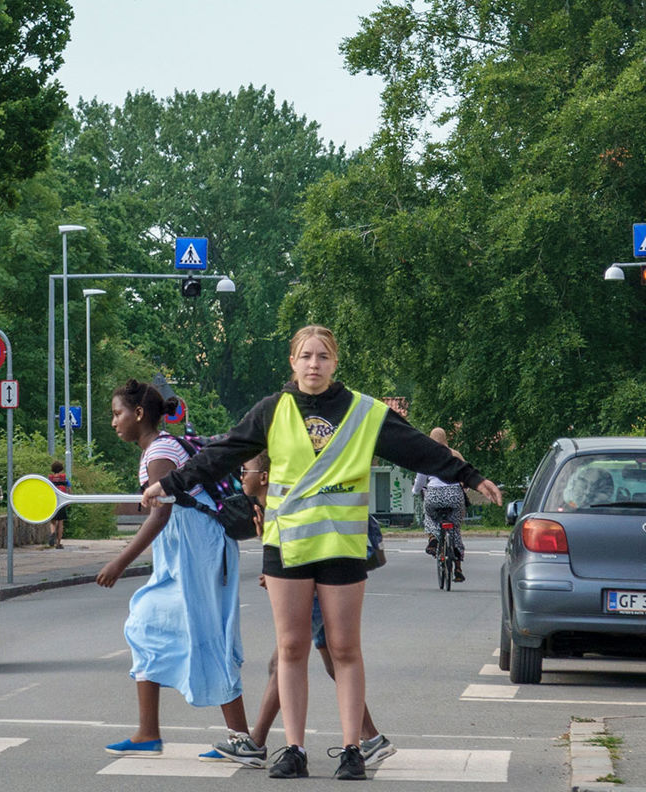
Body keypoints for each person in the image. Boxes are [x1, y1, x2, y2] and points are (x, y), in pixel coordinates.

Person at [145, 325, 503, 780]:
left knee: (344, 648)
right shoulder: (272, 411)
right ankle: (293, 749)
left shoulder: (365, 412)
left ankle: (353, 748)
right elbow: (225, 453)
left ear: (335, 363)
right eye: (306, 356)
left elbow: (417, 450)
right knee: (292, 647)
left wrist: (469, 476)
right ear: (292, 363)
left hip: (341, 546)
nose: (314, 364)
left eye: (323, 356)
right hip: (287, 547)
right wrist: (168, 484)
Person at [210, 453, 396, 768]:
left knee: (285, 659)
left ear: (265, 476)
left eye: (246, 469)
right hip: (320, 574)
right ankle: (373, 738)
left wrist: (284, 578)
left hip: (323, 576)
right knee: (331, 660)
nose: (241, 474)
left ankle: (256, 743)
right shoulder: (271, 506)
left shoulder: (283, 504)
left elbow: (299, 549)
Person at [96, 379, 250, 759]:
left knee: (208, 635)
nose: (113, 422)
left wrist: (120, 561)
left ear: (139, 413)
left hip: (198, 551)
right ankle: (148, 732)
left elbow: (162, 512)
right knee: (146, 625)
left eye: (117, 414)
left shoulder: (160, 451)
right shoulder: (156, 449)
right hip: (186, 552)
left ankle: (242, 740)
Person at [413, 427, 467, 582]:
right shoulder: (455, 455)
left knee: (429, 515)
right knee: (455, 528)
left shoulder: (426, 457)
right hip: (454, 495)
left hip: (434, 495)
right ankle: (457, 568)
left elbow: (420, 482)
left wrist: (415, 491)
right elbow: (465, 475)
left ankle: (433, 538)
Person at [47, 460, 69, 548]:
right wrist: (69, 500)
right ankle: (58, 543)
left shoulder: (49, 479)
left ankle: (52, 533)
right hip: (62, 501)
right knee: (60, 522)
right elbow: (69, 490)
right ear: (61, 469)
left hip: (53, 501)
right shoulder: (65, 479)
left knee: (52, 521)